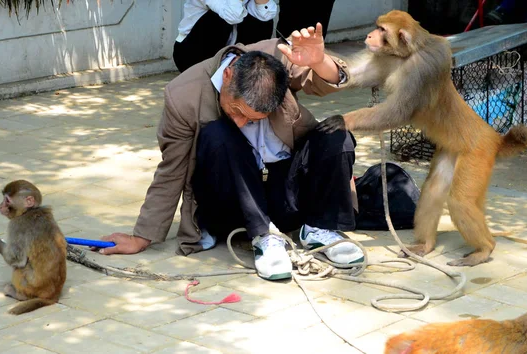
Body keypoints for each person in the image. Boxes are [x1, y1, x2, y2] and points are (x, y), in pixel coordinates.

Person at [96, 23, 364, 281]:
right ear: (228, 75)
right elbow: (171, 171)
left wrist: (318, 62)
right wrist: (141, 237)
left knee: (336, 132)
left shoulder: (277, 55)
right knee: (220, 134)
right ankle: (264, 237)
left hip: (285, 192)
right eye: (238, 111)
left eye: (255, 119)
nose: (241, 123)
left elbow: (324, 82)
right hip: (233, 202)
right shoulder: (183, 96)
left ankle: (320, 228)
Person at [173, 0, 278, 73]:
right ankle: (212, 72)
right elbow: (232, 16)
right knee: (217, 17)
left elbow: (266, 14)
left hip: (228, 53)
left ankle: (248, 67)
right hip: (190, 54)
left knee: (263, 17)